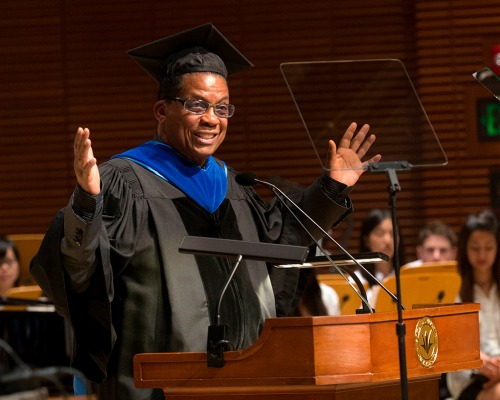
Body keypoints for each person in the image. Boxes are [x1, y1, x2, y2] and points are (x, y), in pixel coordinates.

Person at [30, 23, 381, 399]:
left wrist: (332, 188)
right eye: (197, 105)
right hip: (158, 388)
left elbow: (281, 245)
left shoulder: (232, 185)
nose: (212, 119)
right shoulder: (124, 182)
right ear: (162, 110)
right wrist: (86, 202)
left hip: (244, 382)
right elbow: (80, 270)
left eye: (221, 107)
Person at [447, 209, 500, 400]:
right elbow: (448, 342)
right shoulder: (454, 287)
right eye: (475, 248)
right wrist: (477, 359)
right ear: (465, 249)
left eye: (489, 247)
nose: (482, 254)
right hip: (470, 380)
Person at [357, 208, 406, 307]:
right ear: (366, 240)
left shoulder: (406, 276)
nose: (388, 240)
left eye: (393, 234)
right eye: (380, 234)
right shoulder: (356, 281)